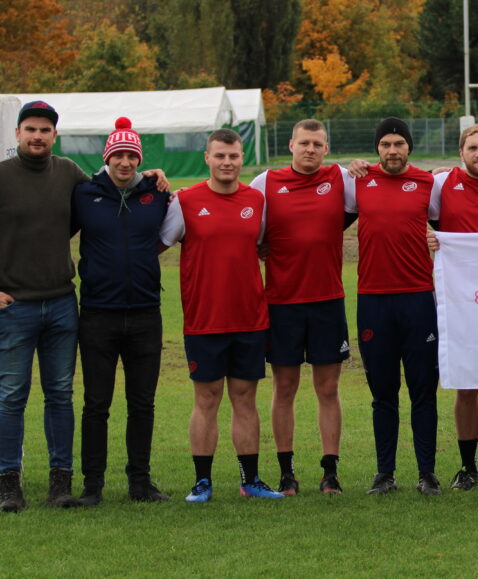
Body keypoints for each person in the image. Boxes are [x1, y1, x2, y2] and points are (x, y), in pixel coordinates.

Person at [159, 128, 284, 502]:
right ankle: (202, 482)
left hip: (250, 319)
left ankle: (251, 481)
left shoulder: (256, 201)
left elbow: (262, 246)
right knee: (207, 399)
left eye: (233, 156)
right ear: (207, 158)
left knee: (245, 399)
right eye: (219, 156)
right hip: (204, 320)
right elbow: (155, 245)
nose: (227, 162)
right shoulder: (185, 201)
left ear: (241, 158)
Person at [249, 119, 355, 496]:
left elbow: (385, 184)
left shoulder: (341, 179)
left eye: (318, 143)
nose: (310, 149)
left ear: (326, 148)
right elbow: (246, 227)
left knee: (328, 388)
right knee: (284, 387)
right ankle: (286, 472)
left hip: (328, 300)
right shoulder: (265, 183)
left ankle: (330, 472)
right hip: (282, 303)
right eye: (304, 143)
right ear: (291, 145)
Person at [71, 119, 170, 505]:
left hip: (146, 313)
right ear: (106, 157)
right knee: (96, 403)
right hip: (98, 313)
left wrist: (157, 177)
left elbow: (172, 232)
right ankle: (92, 485)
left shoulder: (157, 194)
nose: (125, 163)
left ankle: (139, 483)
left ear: (140, 160)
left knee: (142, 403)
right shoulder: (83, 195)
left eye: (132, 156)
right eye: (118, 155)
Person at [0, 101, 89, 512]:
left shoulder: (69, 173)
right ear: (17, 133)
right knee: (11, 396)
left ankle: (60, 484)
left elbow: (104, 198)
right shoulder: (1, 176)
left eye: (45, 130)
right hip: (13, 306)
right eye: (30, 129)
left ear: (56, 135)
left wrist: (152, 177)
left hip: (60, 304)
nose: (37, 136)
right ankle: (8, 485)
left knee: (59, 394)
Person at [353, 118, 441, 497]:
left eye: (398, 144)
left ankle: (427, 473)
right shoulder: (357, 180)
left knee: (424, 390)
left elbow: (460, 211)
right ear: (377, 148)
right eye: (385, 144)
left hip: (418, 298)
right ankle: (384, 473)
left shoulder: (429, 183)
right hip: (373, 300)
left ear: (409, 147)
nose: (392, 150)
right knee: (383, 392)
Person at [427, 124, 478, 492]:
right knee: (464, 386)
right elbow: (411, 212)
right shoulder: (441, 184)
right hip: (457, 300)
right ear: (461, 152)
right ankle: (467, 467)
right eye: (473, 148)